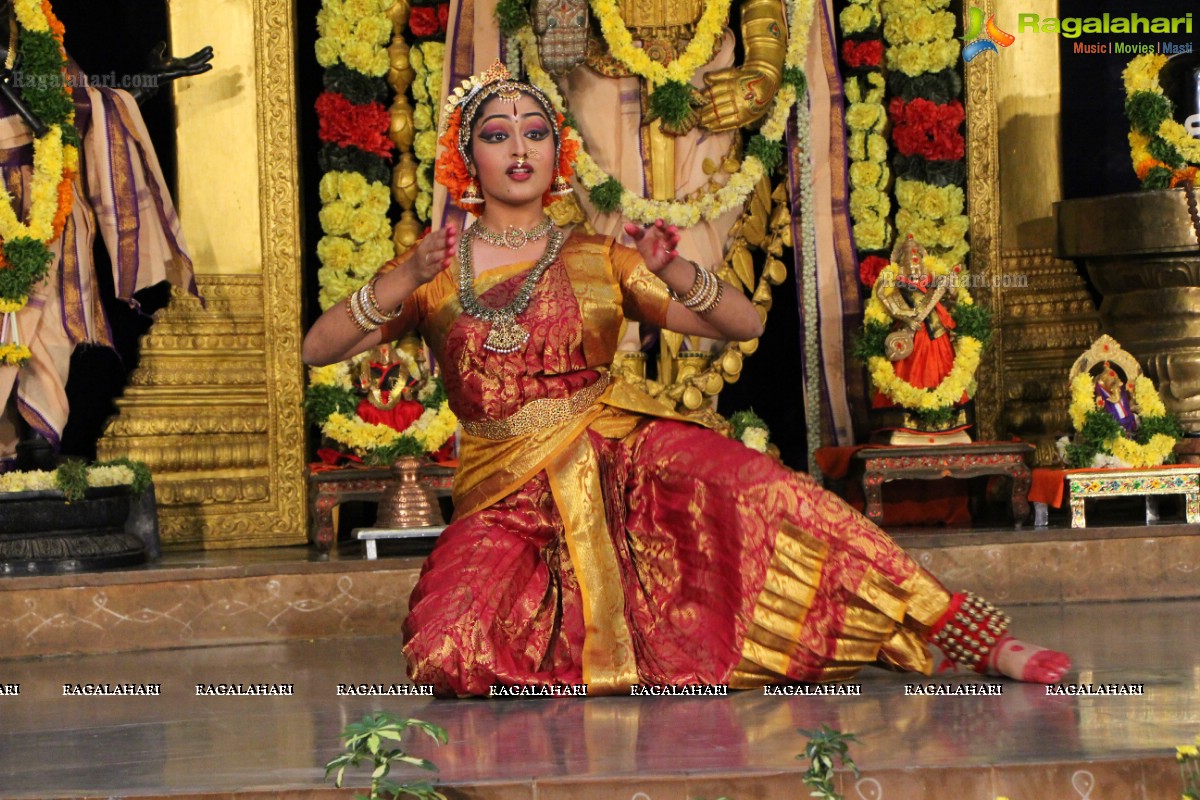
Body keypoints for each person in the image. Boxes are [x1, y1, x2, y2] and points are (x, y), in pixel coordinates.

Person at [302, 62, 1070, 697]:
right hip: (506, 496)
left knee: (781, 495)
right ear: (467, 157)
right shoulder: (436, 274)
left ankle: (967, 632)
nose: (519, 150)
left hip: (625, 457)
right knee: (445, 654)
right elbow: (316, 348)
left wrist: (673, 268)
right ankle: (607, 648)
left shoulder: (598, 258)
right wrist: (399, 277)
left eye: (535, 133)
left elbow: (742, 324)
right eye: (497, 136)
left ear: (557, 152)